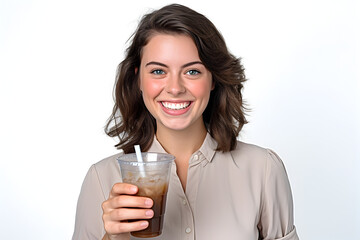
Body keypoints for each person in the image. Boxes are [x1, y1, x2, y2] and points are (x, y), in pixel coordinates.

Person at [72, 4, 299, 240]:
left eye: (192, 72)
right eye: (158, 71)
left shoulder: (263, 170)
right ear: (138, 78)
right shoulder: (101, 178)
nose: (175, 88)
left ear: (213, 79)